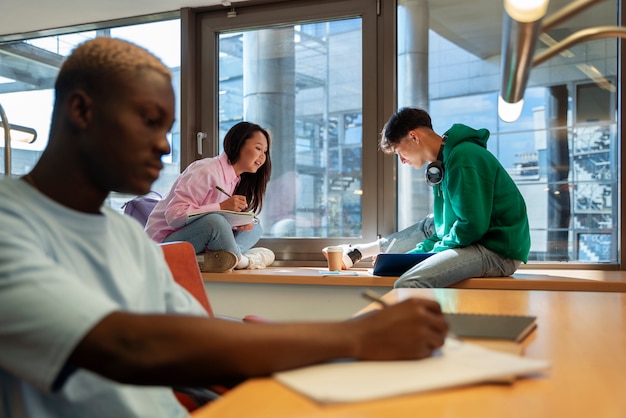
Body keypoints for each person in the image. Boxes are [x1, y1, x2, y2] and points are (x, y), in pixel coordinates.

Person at [0, 38, 448, 417]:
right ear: (82, 110)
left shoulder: (122, 238)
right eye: (149, 121)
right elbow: (129, 345)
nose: (164, 145)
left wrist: (322, 351)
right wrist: (356, 336)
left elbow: (193, 329)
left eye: (169, 127)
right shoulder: (9, 220)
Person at [325, 107, 530, 289]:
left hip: (497, 252)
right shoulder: (441, 165)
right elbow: (443, 228)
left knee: (408, 282)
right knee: (431, 224)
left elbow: (472, 227)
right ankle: (359, 252)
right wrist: (408, 258)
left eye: (399, 152)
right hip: (478, 241)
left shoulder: (463, 157)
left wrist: (428, 256)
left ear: (414, 137)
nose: (402, 161)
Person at [145, 121, 274, 273]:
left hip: (196, 238)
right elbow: (175, 215)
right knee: (215, 223)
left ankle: (223, 257)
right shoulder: (206, 170)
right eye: (258, 148)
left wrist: (237, 223)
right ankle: (242, 260)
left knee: (254, 226)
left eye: (265, 151)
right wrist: (222, 207)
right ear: (237, 144)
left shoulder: (235, 179)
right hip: (163, 244)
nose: (262, 156)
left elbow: (208, 220)